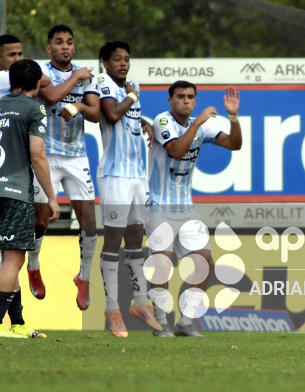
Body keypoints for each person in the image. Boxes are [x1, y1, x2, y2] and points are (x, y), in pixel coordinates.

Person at [147, 81, 242, 337]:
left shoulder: (201, 125)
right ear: (170, 100)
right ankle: (159, 322)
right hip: (157, 205)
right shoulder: (162, 122)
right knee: (162, 262)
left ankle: (186, 322)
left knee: (205, 261)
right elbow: (177, 151)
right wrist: (198, 123)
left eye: (190, 97)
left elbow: (235, 144)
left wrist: (233, 117)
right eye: (180, 97)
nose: (186, 101)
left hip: (186, 207)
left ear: (195, 100)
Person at [0, 59, 60, 338]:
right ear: (37, 84)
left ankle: (19, 323)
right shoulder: (35, 108)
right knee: (13, 261)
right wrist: (51, 197)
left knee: (8, 260)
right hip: (15, 194)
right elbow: (37, 155)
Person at [95, 41, 161, 337]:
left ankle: (139, 303)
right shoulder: (102, 83)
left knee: (136, 235)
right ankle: (112, 309)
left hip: (137, 175)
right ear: (105, 63)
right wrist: (133, 96)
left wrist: (145, 122)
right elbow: (110, 115)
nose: (123, 64)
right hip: (115, 175)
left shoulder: (129, 91)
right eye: (117, 60)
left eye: (126, 59)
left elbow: (128, 117)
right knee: (113, 237)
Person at [37, 25, 101, 311]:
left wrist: (78, 107)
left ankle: (84, 278)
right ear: (49, 47)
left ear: (74, 48)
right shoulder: (41, 71)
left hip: (76, 155)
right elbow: (49, 97)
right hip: (46, 154)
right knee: (40, 219)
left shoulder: (89, 76)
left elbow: (96, 113)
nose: (65, 46)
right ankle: (34, 264)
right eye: (59, 42)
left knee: (89, 221)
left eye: (70, 42)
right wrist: (75, 77)